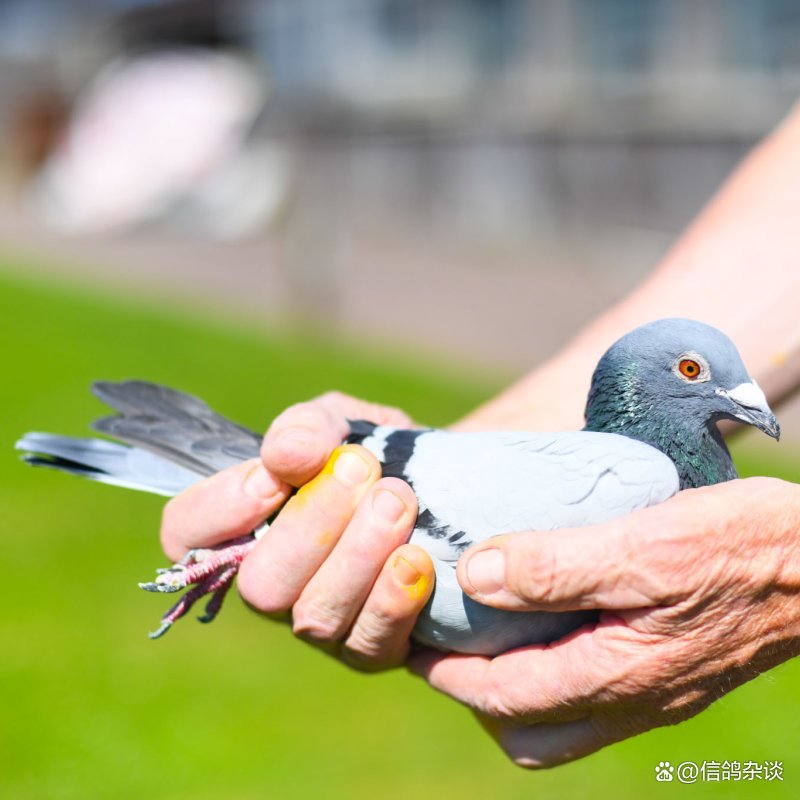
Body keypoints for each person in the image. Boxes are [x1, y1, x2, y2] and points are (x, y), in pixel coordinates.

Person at [159, 103, 800, 768]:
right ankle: (253, 533)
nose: (740, 394)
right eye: (695, 373)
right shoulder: (643, 477)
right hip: (388, 479)